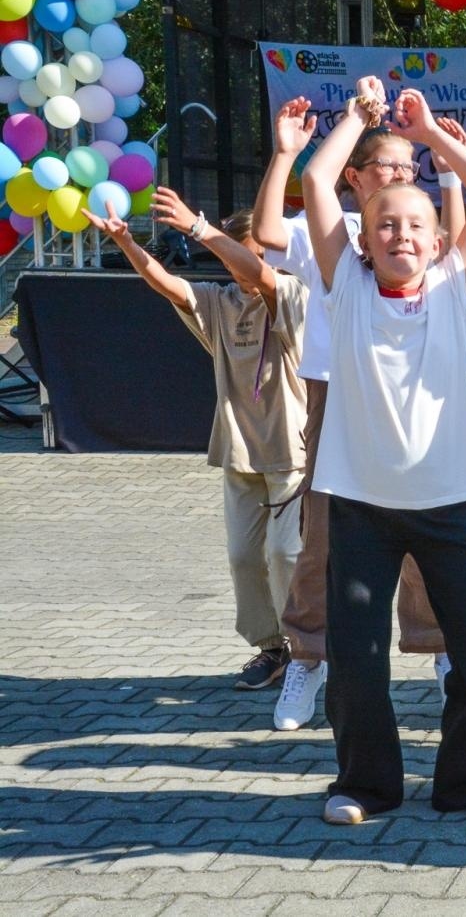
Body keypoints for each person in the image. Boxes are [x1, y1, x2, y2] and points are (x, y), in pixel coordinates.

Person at [301, 76, 466, 825]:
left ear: (435, 239)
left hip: (445, 503)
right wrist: (359, 119)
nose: (399, 237)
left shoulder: (455, 283)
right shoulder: (345, 284)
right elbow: (317, 178)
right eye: (384, 225)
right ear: (363, 237)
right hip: (361, 507)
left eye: (414, 227)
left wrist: (432, 141)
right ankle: (364, 785)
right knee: (356, 662)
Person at [251, 97, 466, 731]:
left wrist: (450, 173)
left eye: (410, 168)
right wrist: (288, 151)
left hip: (412, 394)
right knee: (324, 534)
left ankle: (440, 650)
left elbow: (456, 247)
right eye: (387, 167)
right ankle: (308, 657)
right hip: (335, 394)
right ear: (355, 175)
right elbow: (266, 232)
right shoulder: (338, 231)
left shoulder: (410, 233)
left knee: (424, 526)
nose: (401, 177)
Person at [85, 191, 308, 702]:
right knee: (242, 557)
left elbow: (268, 282)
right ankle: (272, 648)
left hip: (293, 453)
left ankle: (308, 651)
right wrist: (128, 245)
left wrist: (199, 227)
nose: (233, 265)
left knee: (285, 553)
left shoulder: (294, 293)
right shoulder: (221, 301)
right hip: (239, 452)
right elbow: (170, 287)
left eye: (242, 252)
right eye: (227, 253)